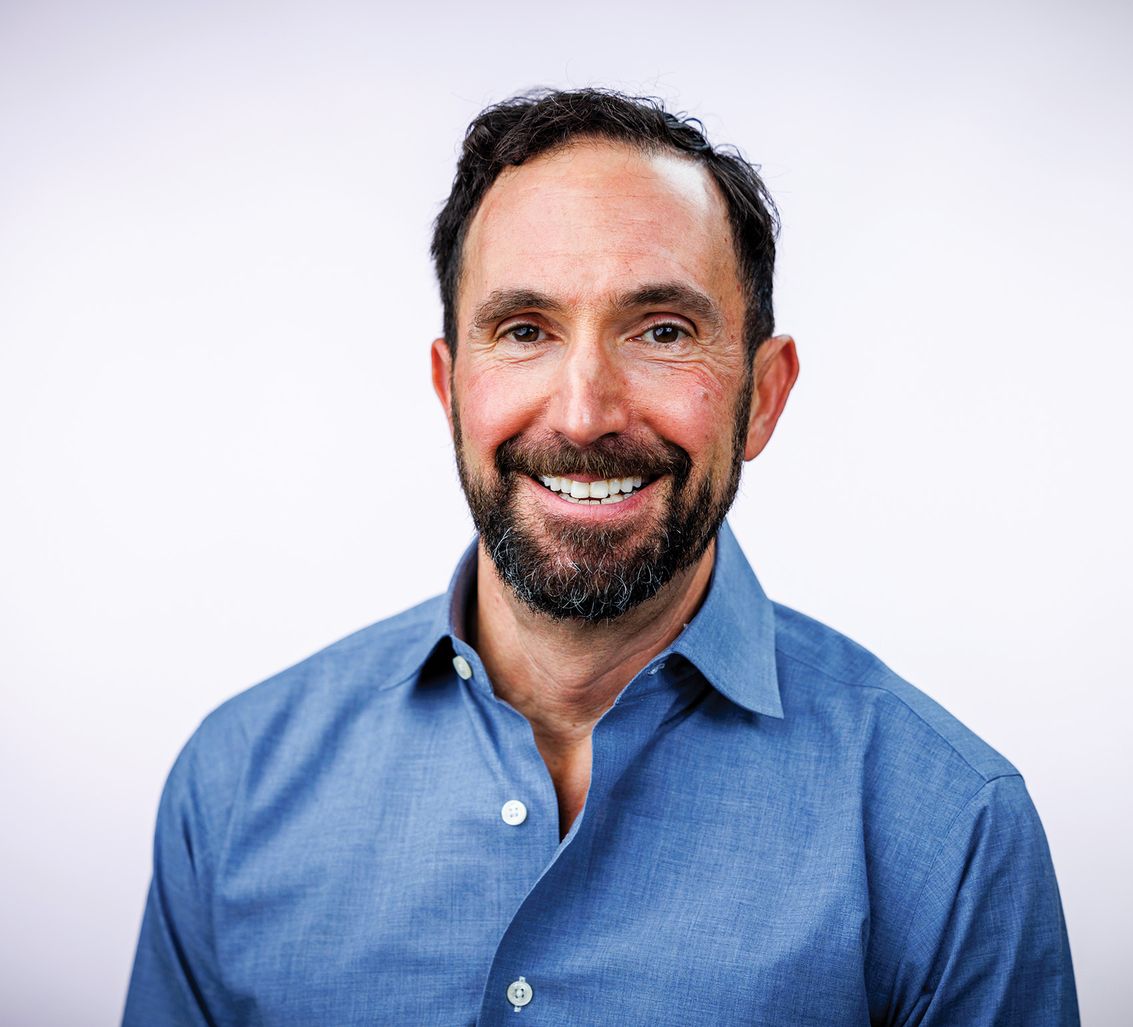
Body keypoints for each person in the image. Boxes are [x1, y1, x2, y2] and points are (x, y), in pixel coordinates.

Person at [122, 88, 1080, 1026]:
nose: (585, 413)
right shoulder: (235, 782)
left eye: (662, 331)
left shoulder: (953, 826)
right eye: (525, 331)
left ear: (762, 396)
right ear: (451, 390)